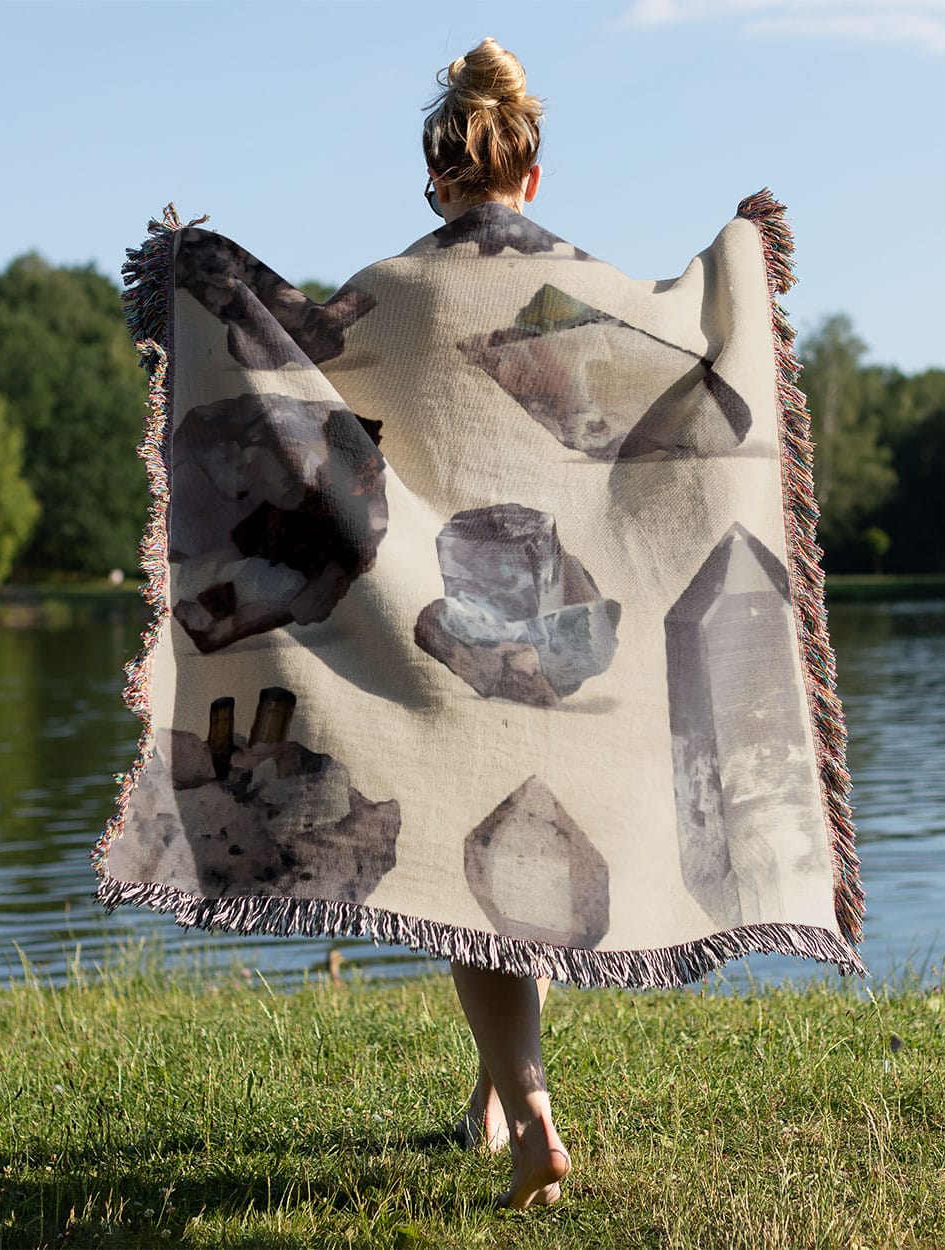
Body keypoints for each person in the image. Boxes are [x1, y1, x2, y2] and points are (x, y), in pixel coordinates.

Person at [420, 37, 571, 1212]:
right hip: (556, 626)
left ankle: (529, 1115)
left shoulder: (392, 290)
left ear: (438, 179)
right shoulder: (578, 286)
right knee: (519, 856)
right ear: (529, 173)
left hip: (443, 627)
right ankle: (487, 1099)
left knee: (469, 882)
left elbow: (307, 408)